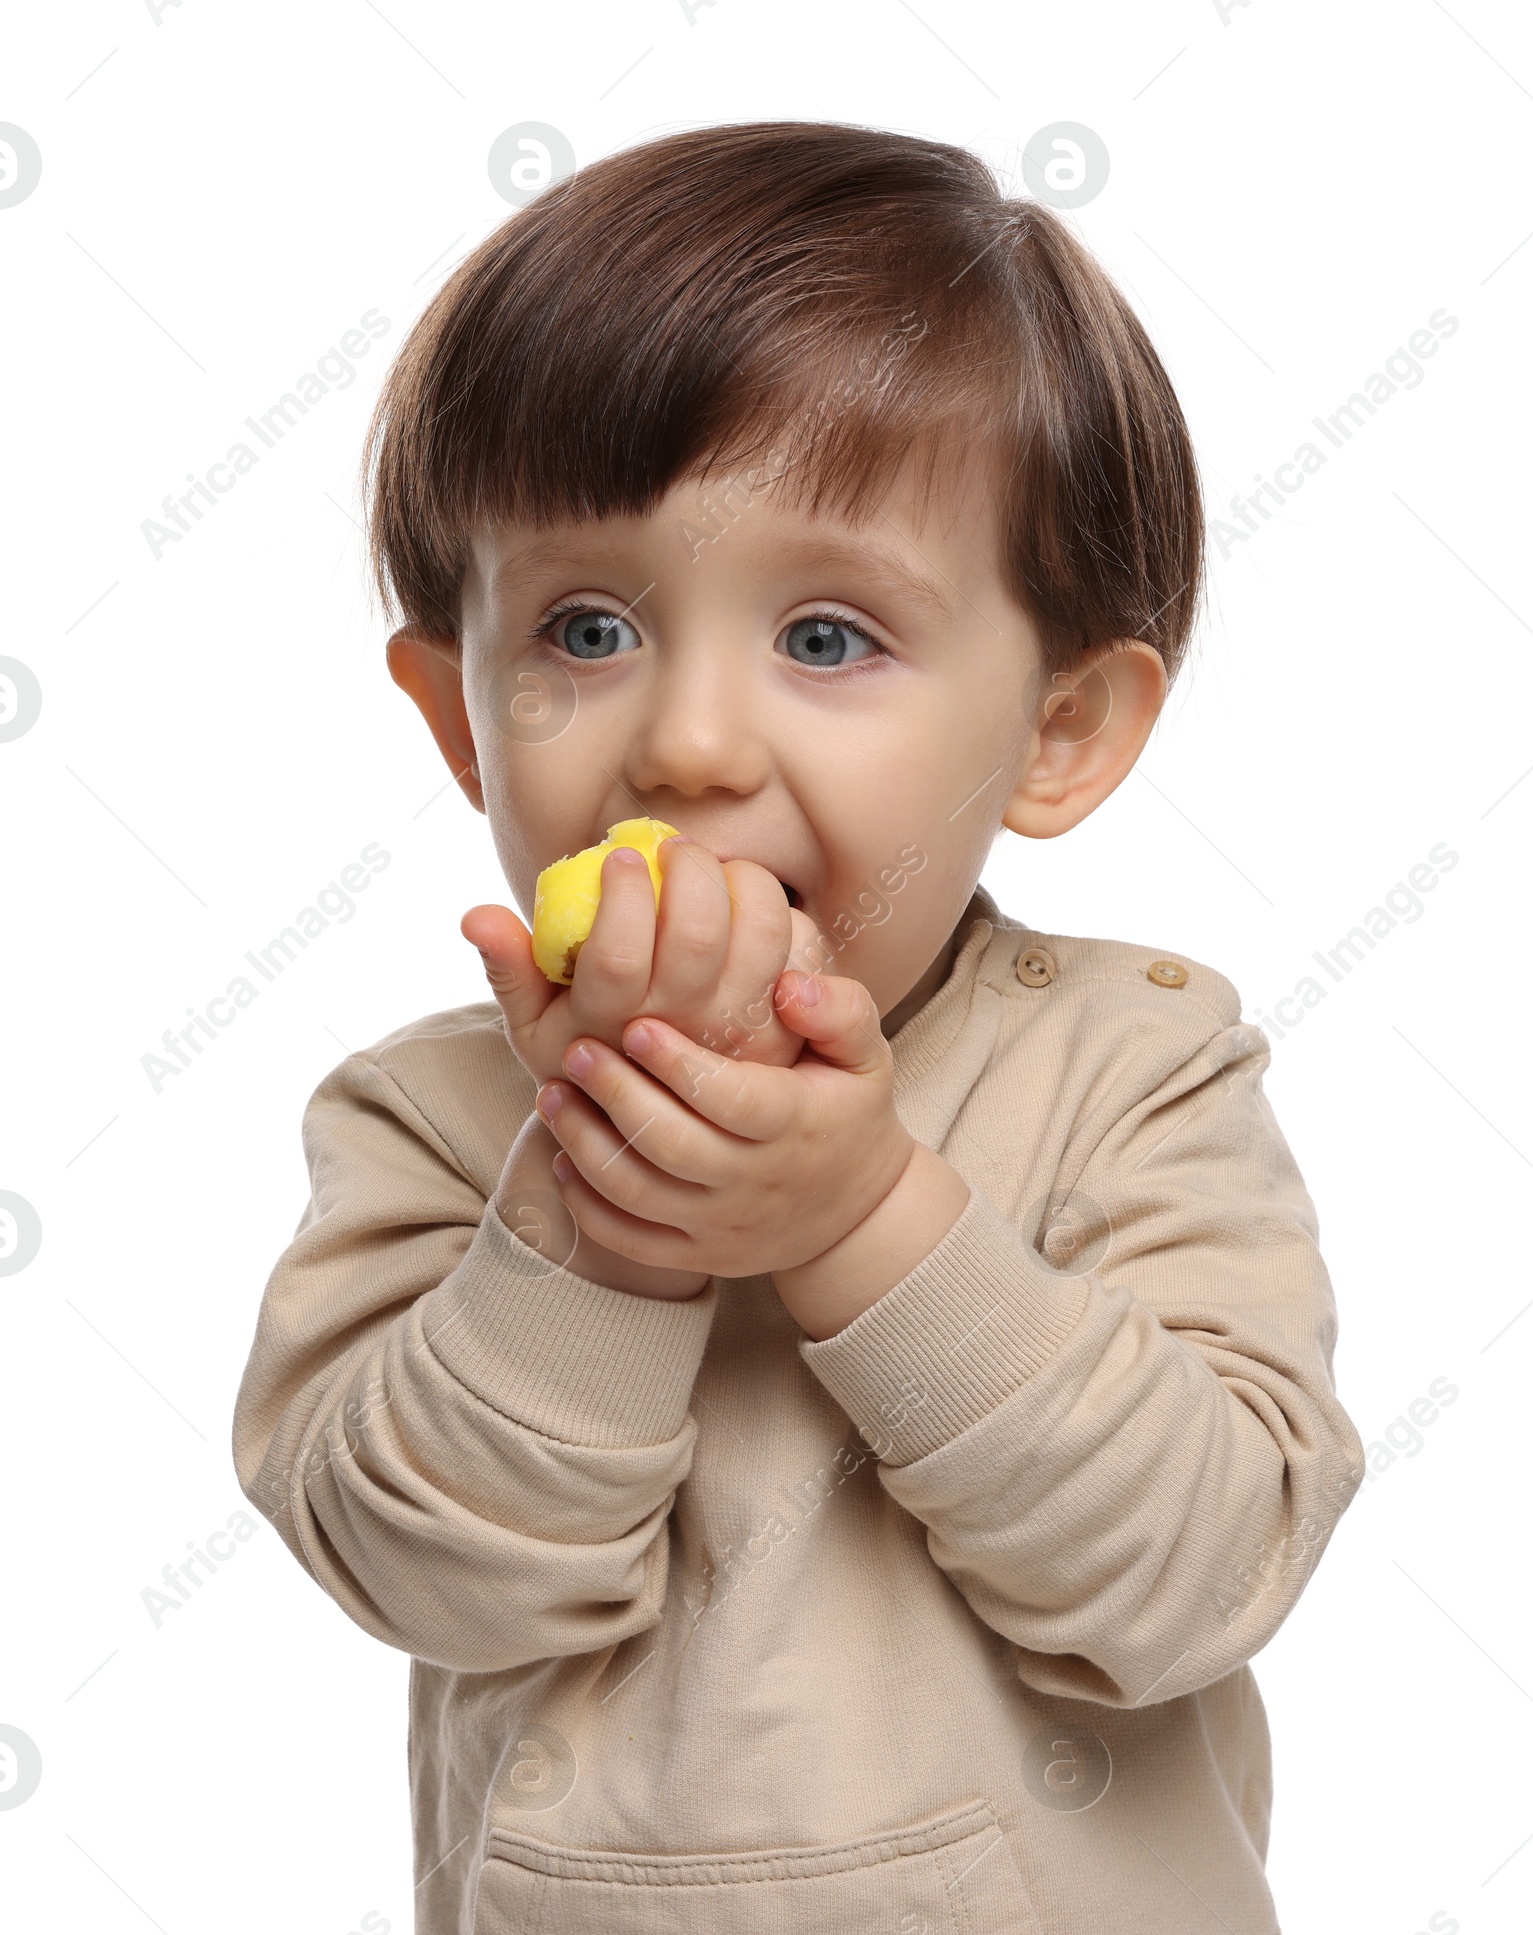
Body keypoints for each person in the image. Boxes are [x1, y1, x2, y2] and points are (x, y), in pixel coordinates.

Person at [231, 120, 1364, 1934]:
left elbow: (1199, 1576)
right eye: (586, 627)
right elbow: (428, 1573)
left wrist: (861, 1226)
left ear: (1060, 730)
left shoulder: (1134, 1073)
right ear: (459, 721)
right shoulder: (434, 1119)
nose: (684, 742)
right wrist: (591, 1226)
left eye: (829, 639)